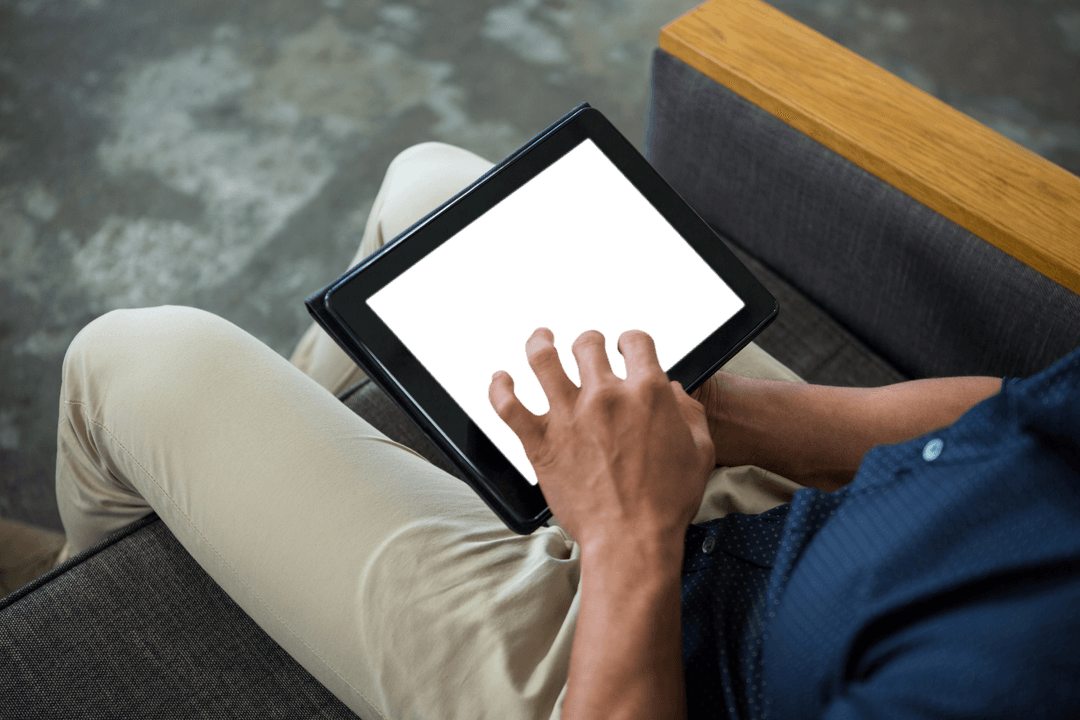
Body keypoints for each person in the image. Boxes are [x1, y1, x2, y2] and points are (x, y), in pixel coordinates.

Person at [3, 142, 1078, 719]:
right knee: (435, 190)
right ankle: (263, 488)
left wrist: (625, 536)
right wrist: (729, 420)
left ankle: (84, 568)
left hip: (655, 674)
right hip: (830, 511)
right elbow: (1019, 424)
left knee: (134, 358)